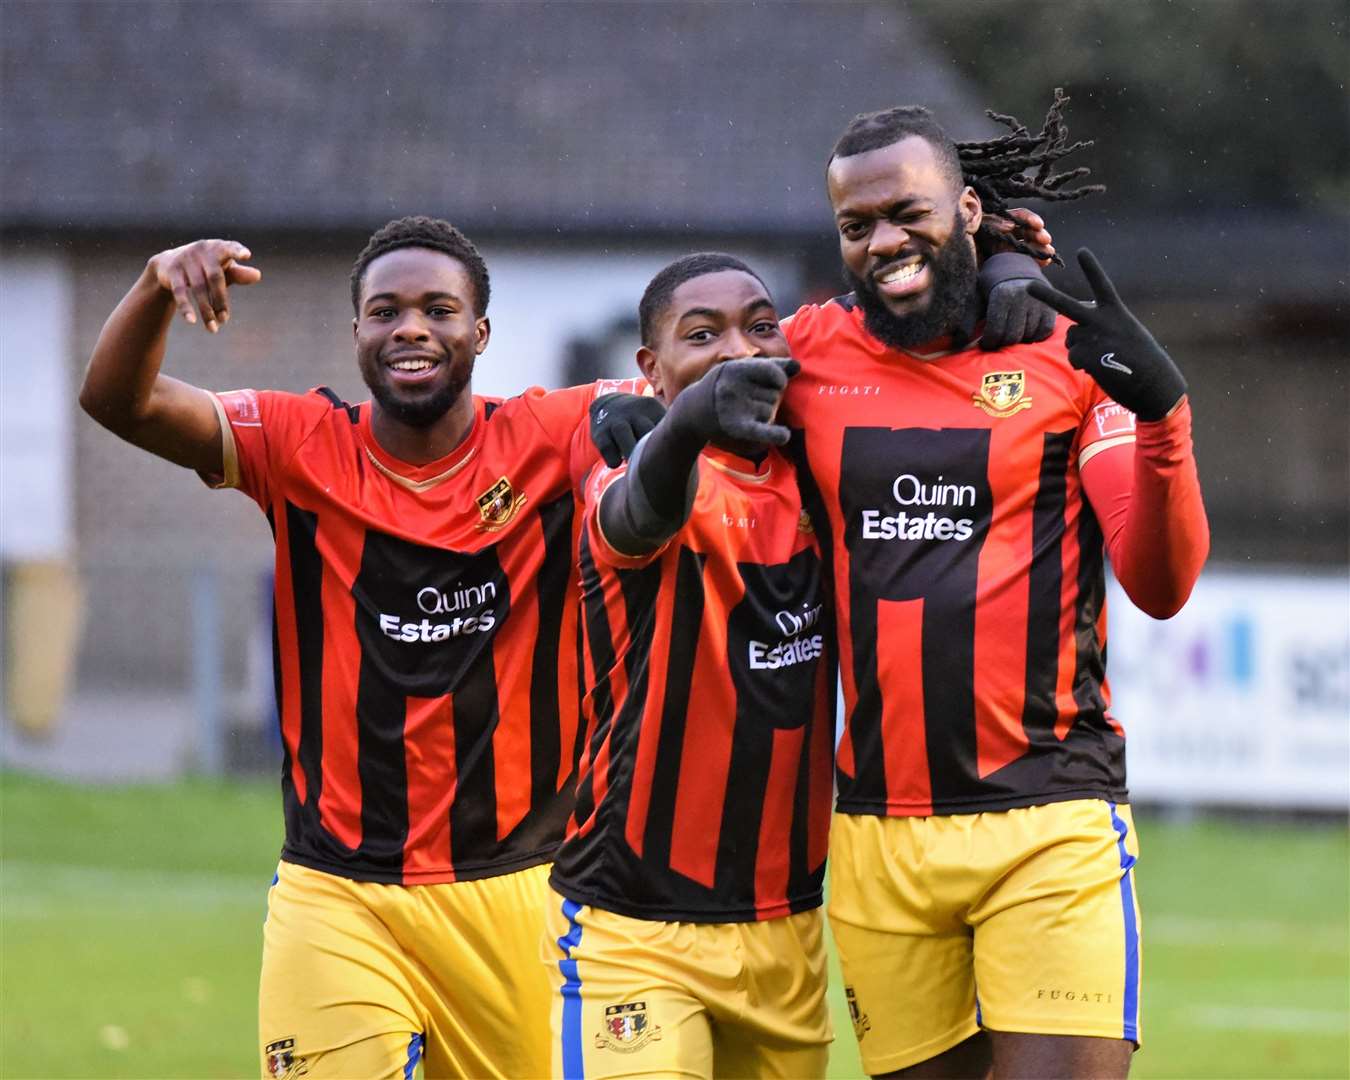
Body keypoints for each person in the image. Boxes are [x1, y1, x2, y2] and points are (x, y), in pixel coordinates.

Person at [78, 216, 658, 1079]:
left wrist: (652, 414)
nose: (412, 328)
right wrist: (158, 283)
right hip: (337, 894)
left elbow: (672, 389)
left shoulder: (550, 435)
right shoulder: (297, 445)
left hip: (523, 891)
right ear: (357, 335)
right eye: (385, 311)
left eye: (438, 309)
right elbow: (117, 401)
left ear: (480, 333)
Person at [776, 100, 1209, 1078]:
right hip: (880, 831)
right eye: (857, 225)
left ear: (970, 209)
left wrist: (1164, 418)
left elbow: (1160, 580)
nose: (885, 241)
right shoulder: (804, 360)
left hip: (1047, 820)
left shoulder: (1061, 351)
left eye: (909, 213)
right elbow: (681, 368)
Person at [543, 253, 836, 1079]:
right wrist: (681, 425)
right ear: (652, 368)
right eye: (701, 335)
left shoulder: (824, 475)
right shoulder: (630, 462)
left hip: (788, 924)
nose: (737, 349)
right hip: (633, 925)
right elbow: (634, 517)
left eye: (759, 325)